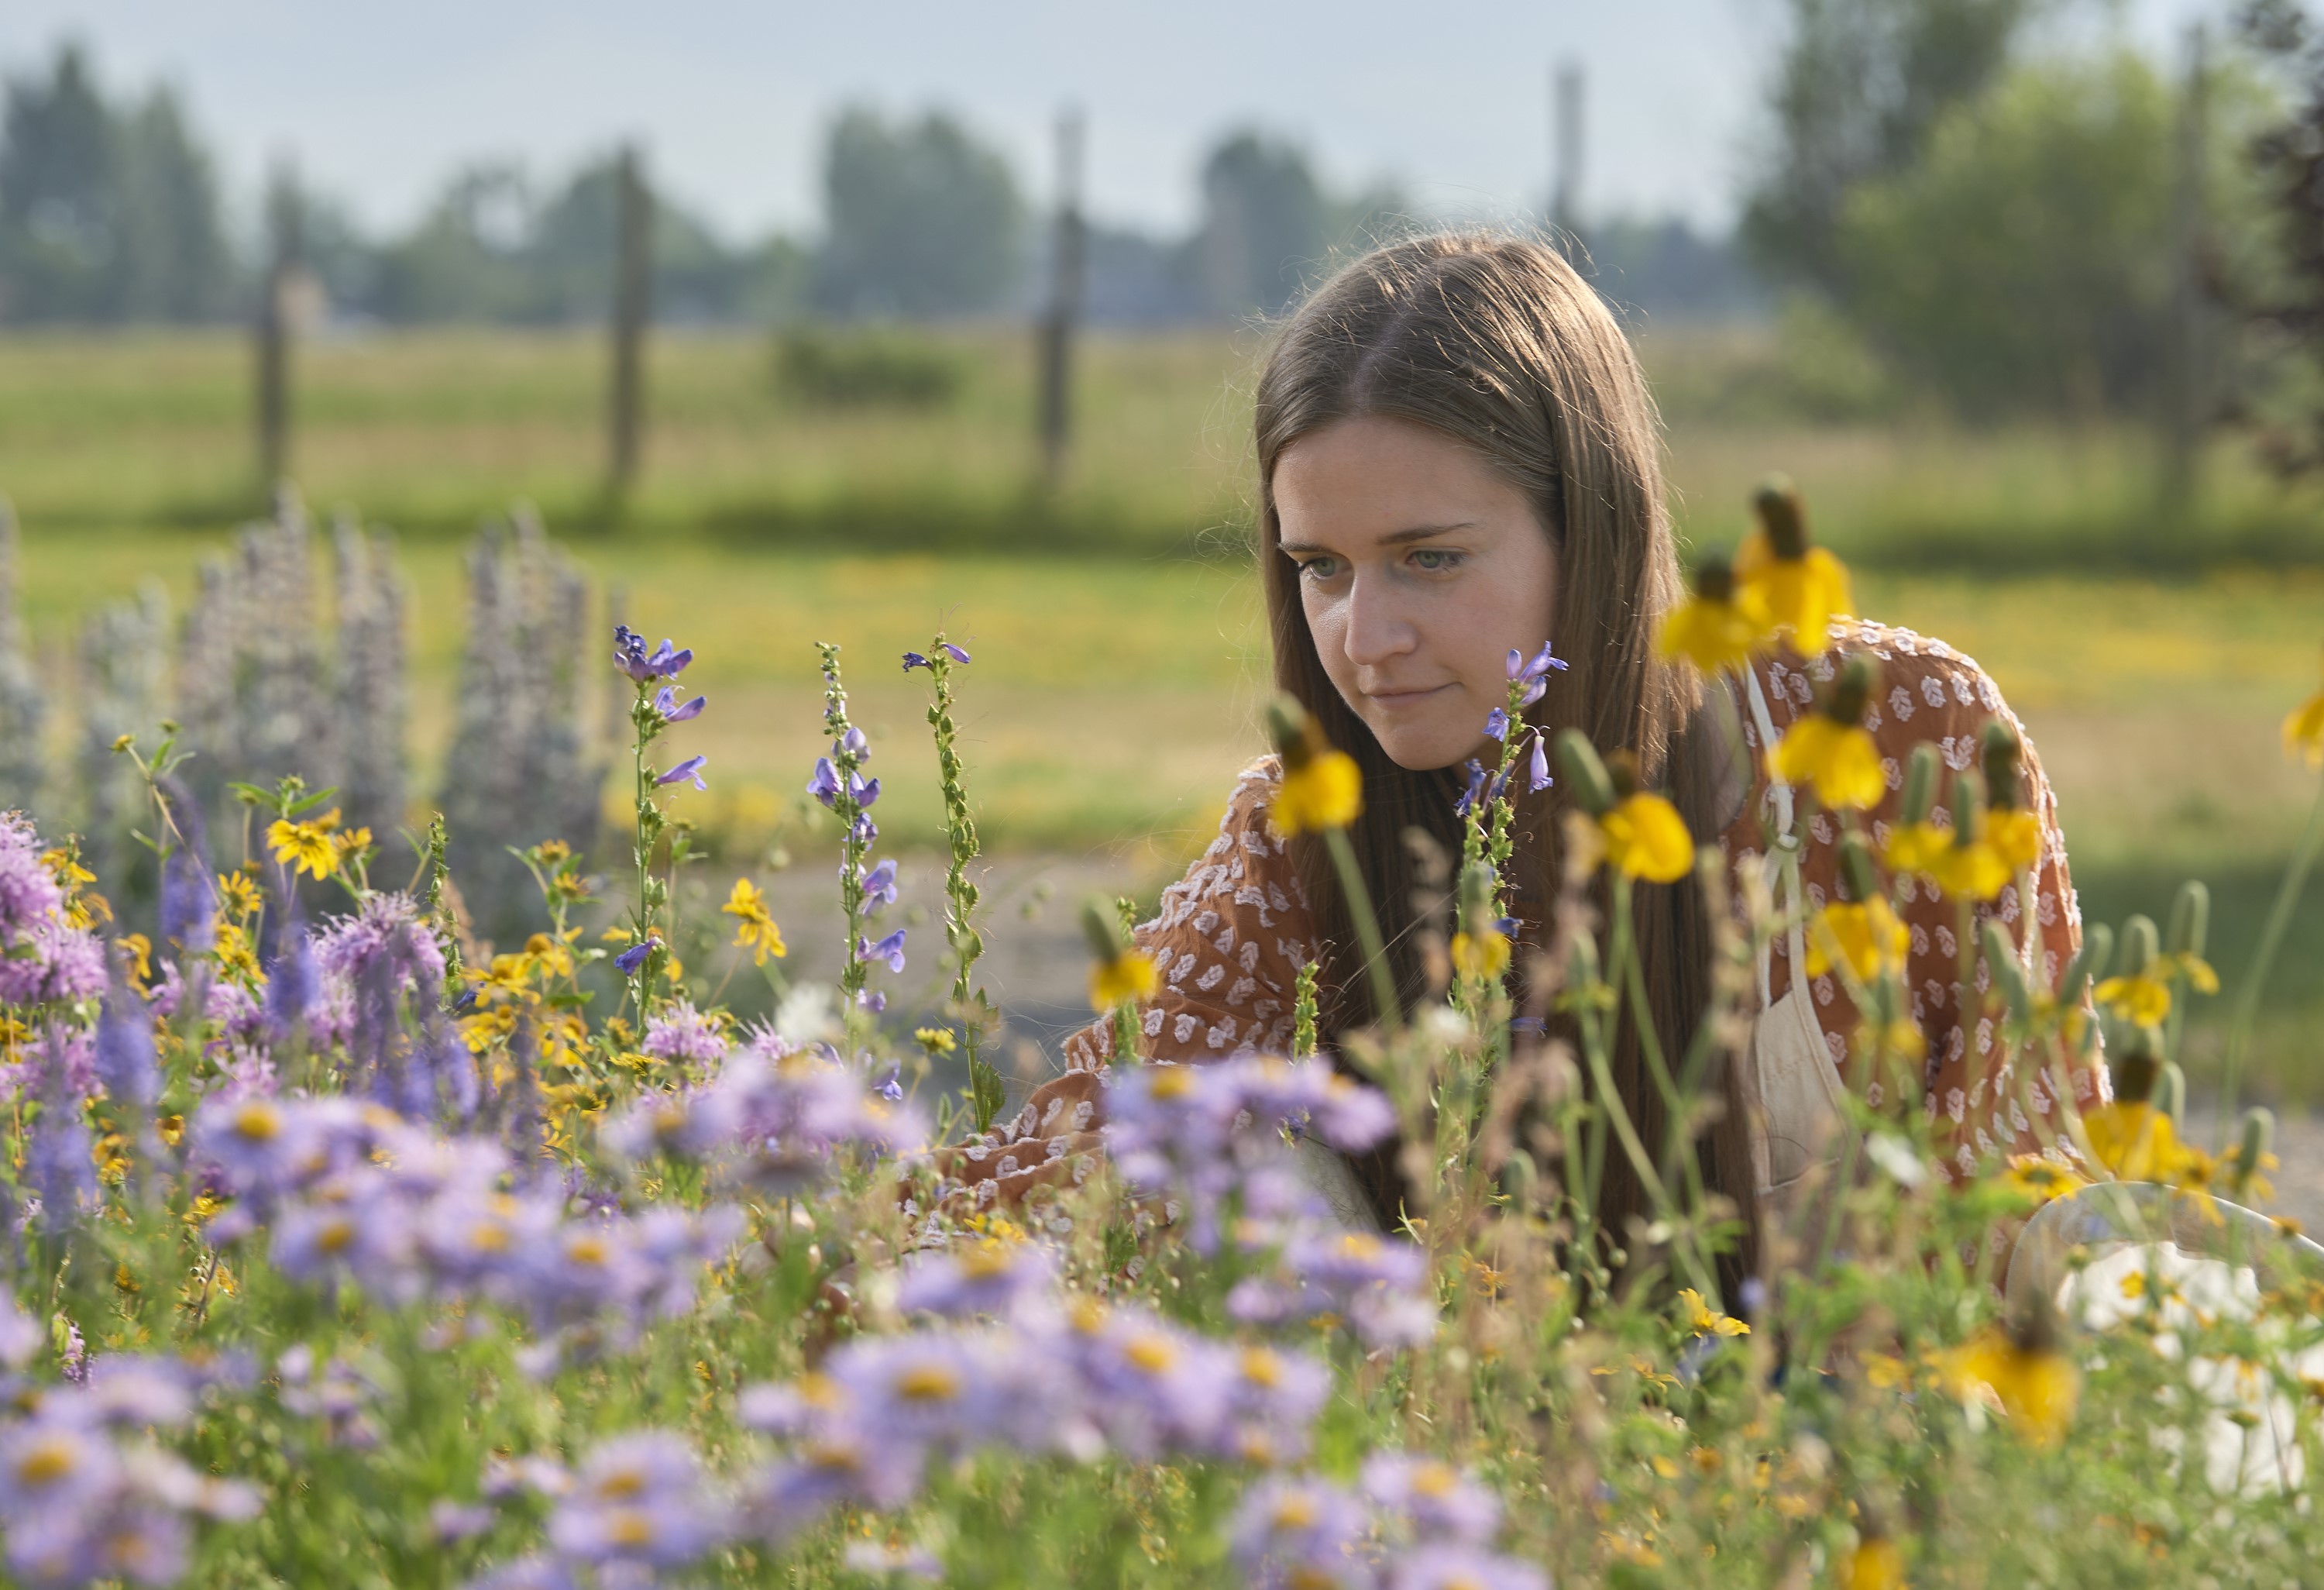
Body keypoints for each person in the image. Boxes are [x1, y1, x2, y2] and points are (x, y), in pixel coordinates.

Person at [928, 232, 2099, 1268]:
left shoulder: (1898, 737)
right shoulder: (1302, 839)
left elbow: (2033, 1185)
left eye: (1429, 557)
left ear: (1594, 524)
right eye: (1319, 567)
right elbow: (1063, 1174)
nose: (1363, 639)